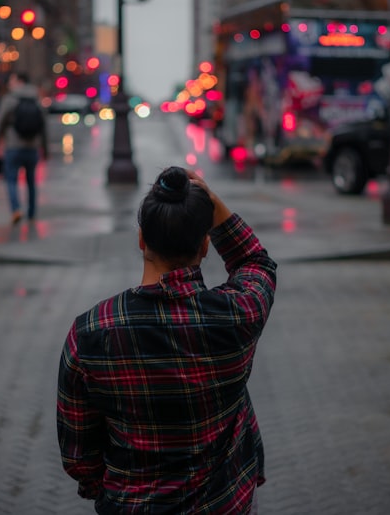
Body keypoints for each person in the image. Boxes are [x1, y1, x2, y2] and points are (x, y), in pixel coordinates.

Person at [57, 166, 278, 514]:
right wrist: (213, 204)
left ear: (142, 239)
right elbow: (255, 262)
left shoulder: (91, 332)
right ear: (206, 245)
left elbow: (78, 456)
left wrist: (111, 490)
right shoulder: (236, 315)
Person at [0, 72, 48, 223]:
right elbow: (43, 127)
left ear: (19, 82)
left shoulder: (10, 99)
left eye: (12, 81)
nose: (10, 84)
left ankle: (16, 209)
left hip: (13, 146)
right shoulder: (37, 99)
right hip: (32, 147)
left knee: (11, 180)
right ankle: (32, 212)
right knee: (31, 181)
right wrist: (45, 149)